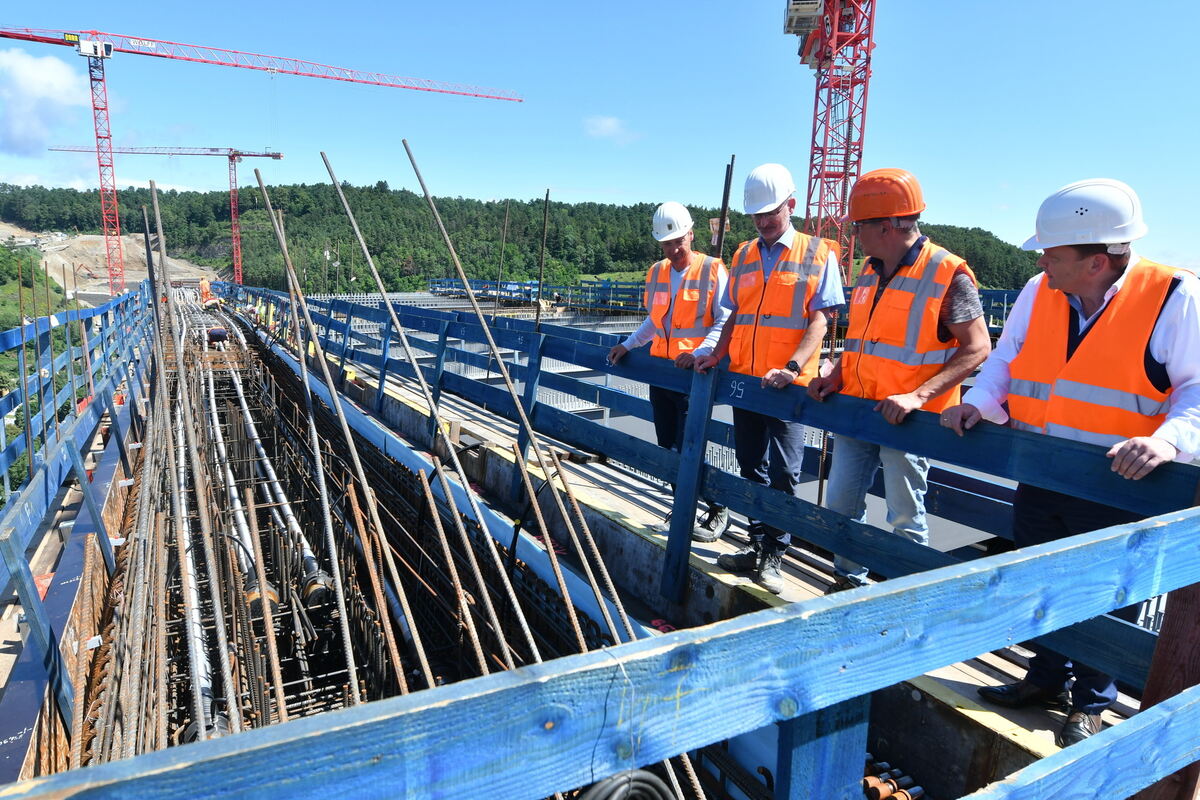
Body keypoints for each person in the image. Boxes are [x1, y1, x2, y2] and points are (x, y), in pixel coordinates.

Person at [940, 178, 1200, 747]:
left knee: (1109, 594)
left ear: (1098, 262)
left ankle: (1090, 704)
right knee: (1041, 580)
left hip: (1121, 483)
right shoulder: (1040, 290)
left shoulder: (1175, 297)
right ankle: (1044, 679)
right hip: (1043, 469)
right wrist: (979, 403)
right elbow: (1006, 359)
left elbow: (1196, 389)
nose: (1041, 262)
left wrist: (1168, 441)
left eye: (1053, 254)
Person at [808, 169, 991, 592]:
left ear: (887, 226)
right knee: (840, 503)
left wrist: (917, 396)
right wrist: (837, 375)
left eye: (859, 226)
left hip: (909, 420)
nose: (854, 235)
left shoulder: (946, 272)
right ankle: (848, 582)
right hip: (859, 408)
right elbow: (863, 340)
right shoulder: (870, 272)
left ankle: (908, 597)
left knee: (905, 516)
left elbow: (978, 347)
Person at [695, 163, 845, 594]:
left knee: (784, 474)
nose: (762, 222)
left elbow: (821, 320)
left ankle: (775, 553)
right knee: (750, 467)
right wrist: (715, 354)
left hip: (788, 388)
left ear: (791, 205)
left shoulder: (818, 253)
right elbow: (733, 316)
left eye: (770, 213)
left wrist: (793, 368)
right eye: (756, 215)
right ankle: (755, 543)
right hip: (747, 381)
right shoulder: (743, 254)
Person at [608, 202, 732, 542]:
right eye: (667, 243)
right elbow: (655, 321)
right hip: (663, 374)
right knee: (669, 447)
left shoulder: (712, 270)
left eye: (679, 241)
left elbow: (725, 320)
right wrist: (628, 344)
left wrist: (700, 353)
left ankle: (718, 507)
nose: (674, 249)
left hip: (695, 377)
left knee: (689, 446)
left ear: (691, 234)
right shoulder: (658, 272)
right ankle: (684, 510)